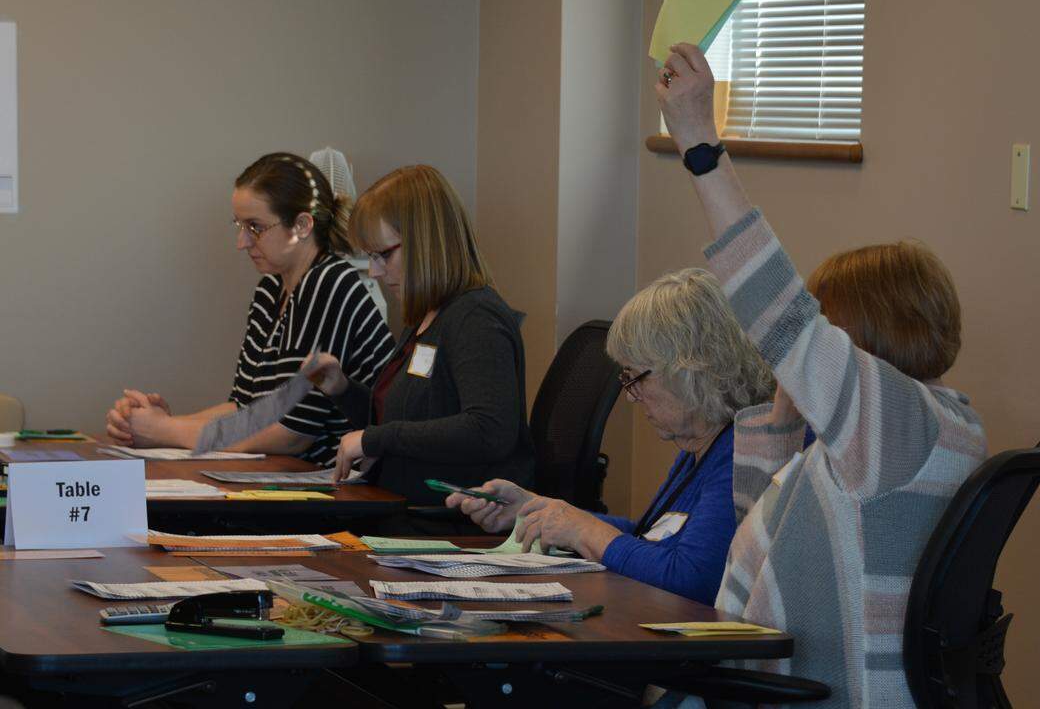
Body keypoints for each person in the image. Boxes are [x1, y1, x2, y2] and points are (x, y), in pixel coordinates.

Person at [655, 44, 988, 706]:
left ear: (856, 340)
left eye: (827, 331)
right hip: (771, 676)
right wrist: (784, 413)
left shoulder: (898, 431)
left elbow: (778, 312)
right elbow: (754, 528)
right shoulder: (929, 429)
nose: (810, 355)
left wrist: (699, 145)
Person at [446, 268, 773, 606]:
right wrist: (535, 511)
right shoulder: (703, 445)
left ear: (689, 368)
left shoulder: (744, 454)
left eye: (636, 377)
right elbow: (650, 541)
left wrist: (584, 530)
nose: (630, 396)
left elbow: (690, 579)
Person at [105, 153, 394, 463]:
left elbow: (291, 434)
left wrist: (165, 430)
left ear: (301, 225)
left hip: (350, 485)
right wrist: (159, 423)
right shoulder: (271, 288)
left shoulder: (330, 283)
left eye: (255, 227)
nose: (241, 242)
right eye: (239, 225)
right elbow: (243, 405)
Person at [305, 165, 534, 505]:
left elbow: (490, 430)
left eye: (383, 254)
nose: (374, 271)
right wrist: (342, 389)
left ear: (427, 243)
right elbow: (409, 420)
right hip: (402, 505)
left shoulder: (476, 318)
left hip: (449, 521)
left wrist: (376, 439)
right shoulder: (427, 317)